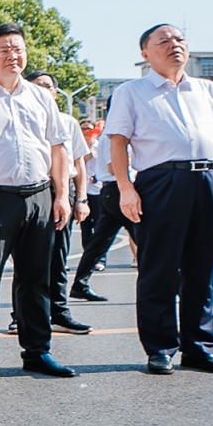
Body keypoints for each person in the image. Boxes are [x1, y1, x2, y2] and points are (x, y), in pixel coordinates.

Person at [105, 23, 213, 375]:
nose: (174, 45)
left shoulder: (209, 90)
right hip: (161, 181)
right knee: (159, 269)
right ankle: (160, 347)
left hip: (209, 180)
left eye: (179, 39)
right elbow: (118, 142)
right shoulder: (131, 92)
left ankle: (200, 348)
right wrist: (125, 188)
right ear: (145, 53)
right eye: (164, 41)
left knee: (202, 269)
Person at [0, 23, 77, 381]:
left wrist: (61, 195)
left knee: (36, 278)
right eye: (4, 49)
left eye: (18, 49)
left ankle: (37, 351)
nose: (13, 56)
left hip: (39, 195)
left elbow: (57, 149)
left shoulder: (41, 97)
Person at [13, 72, 92, 335]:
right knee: (26, 258)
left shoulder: (68, 122)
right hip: (33, 189)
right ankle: (20, 315)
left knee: (58, 256)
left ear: (55, 93)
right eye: (36, 86)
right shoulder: (20, 117)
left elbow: (79, 162)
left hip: (62, 191)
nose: (42, 90)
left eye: (47, 86)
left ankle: (59, 312)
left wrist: (80, 198)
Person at [71, 94, 138, 301]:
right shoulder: (114, 134)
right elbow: (112, 167)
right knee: (147, 240)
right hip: (118, 190)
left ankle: (80, 283)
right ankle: (167, 286)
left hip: (111, 191)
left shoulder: (115, 131)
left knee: (98, 243)